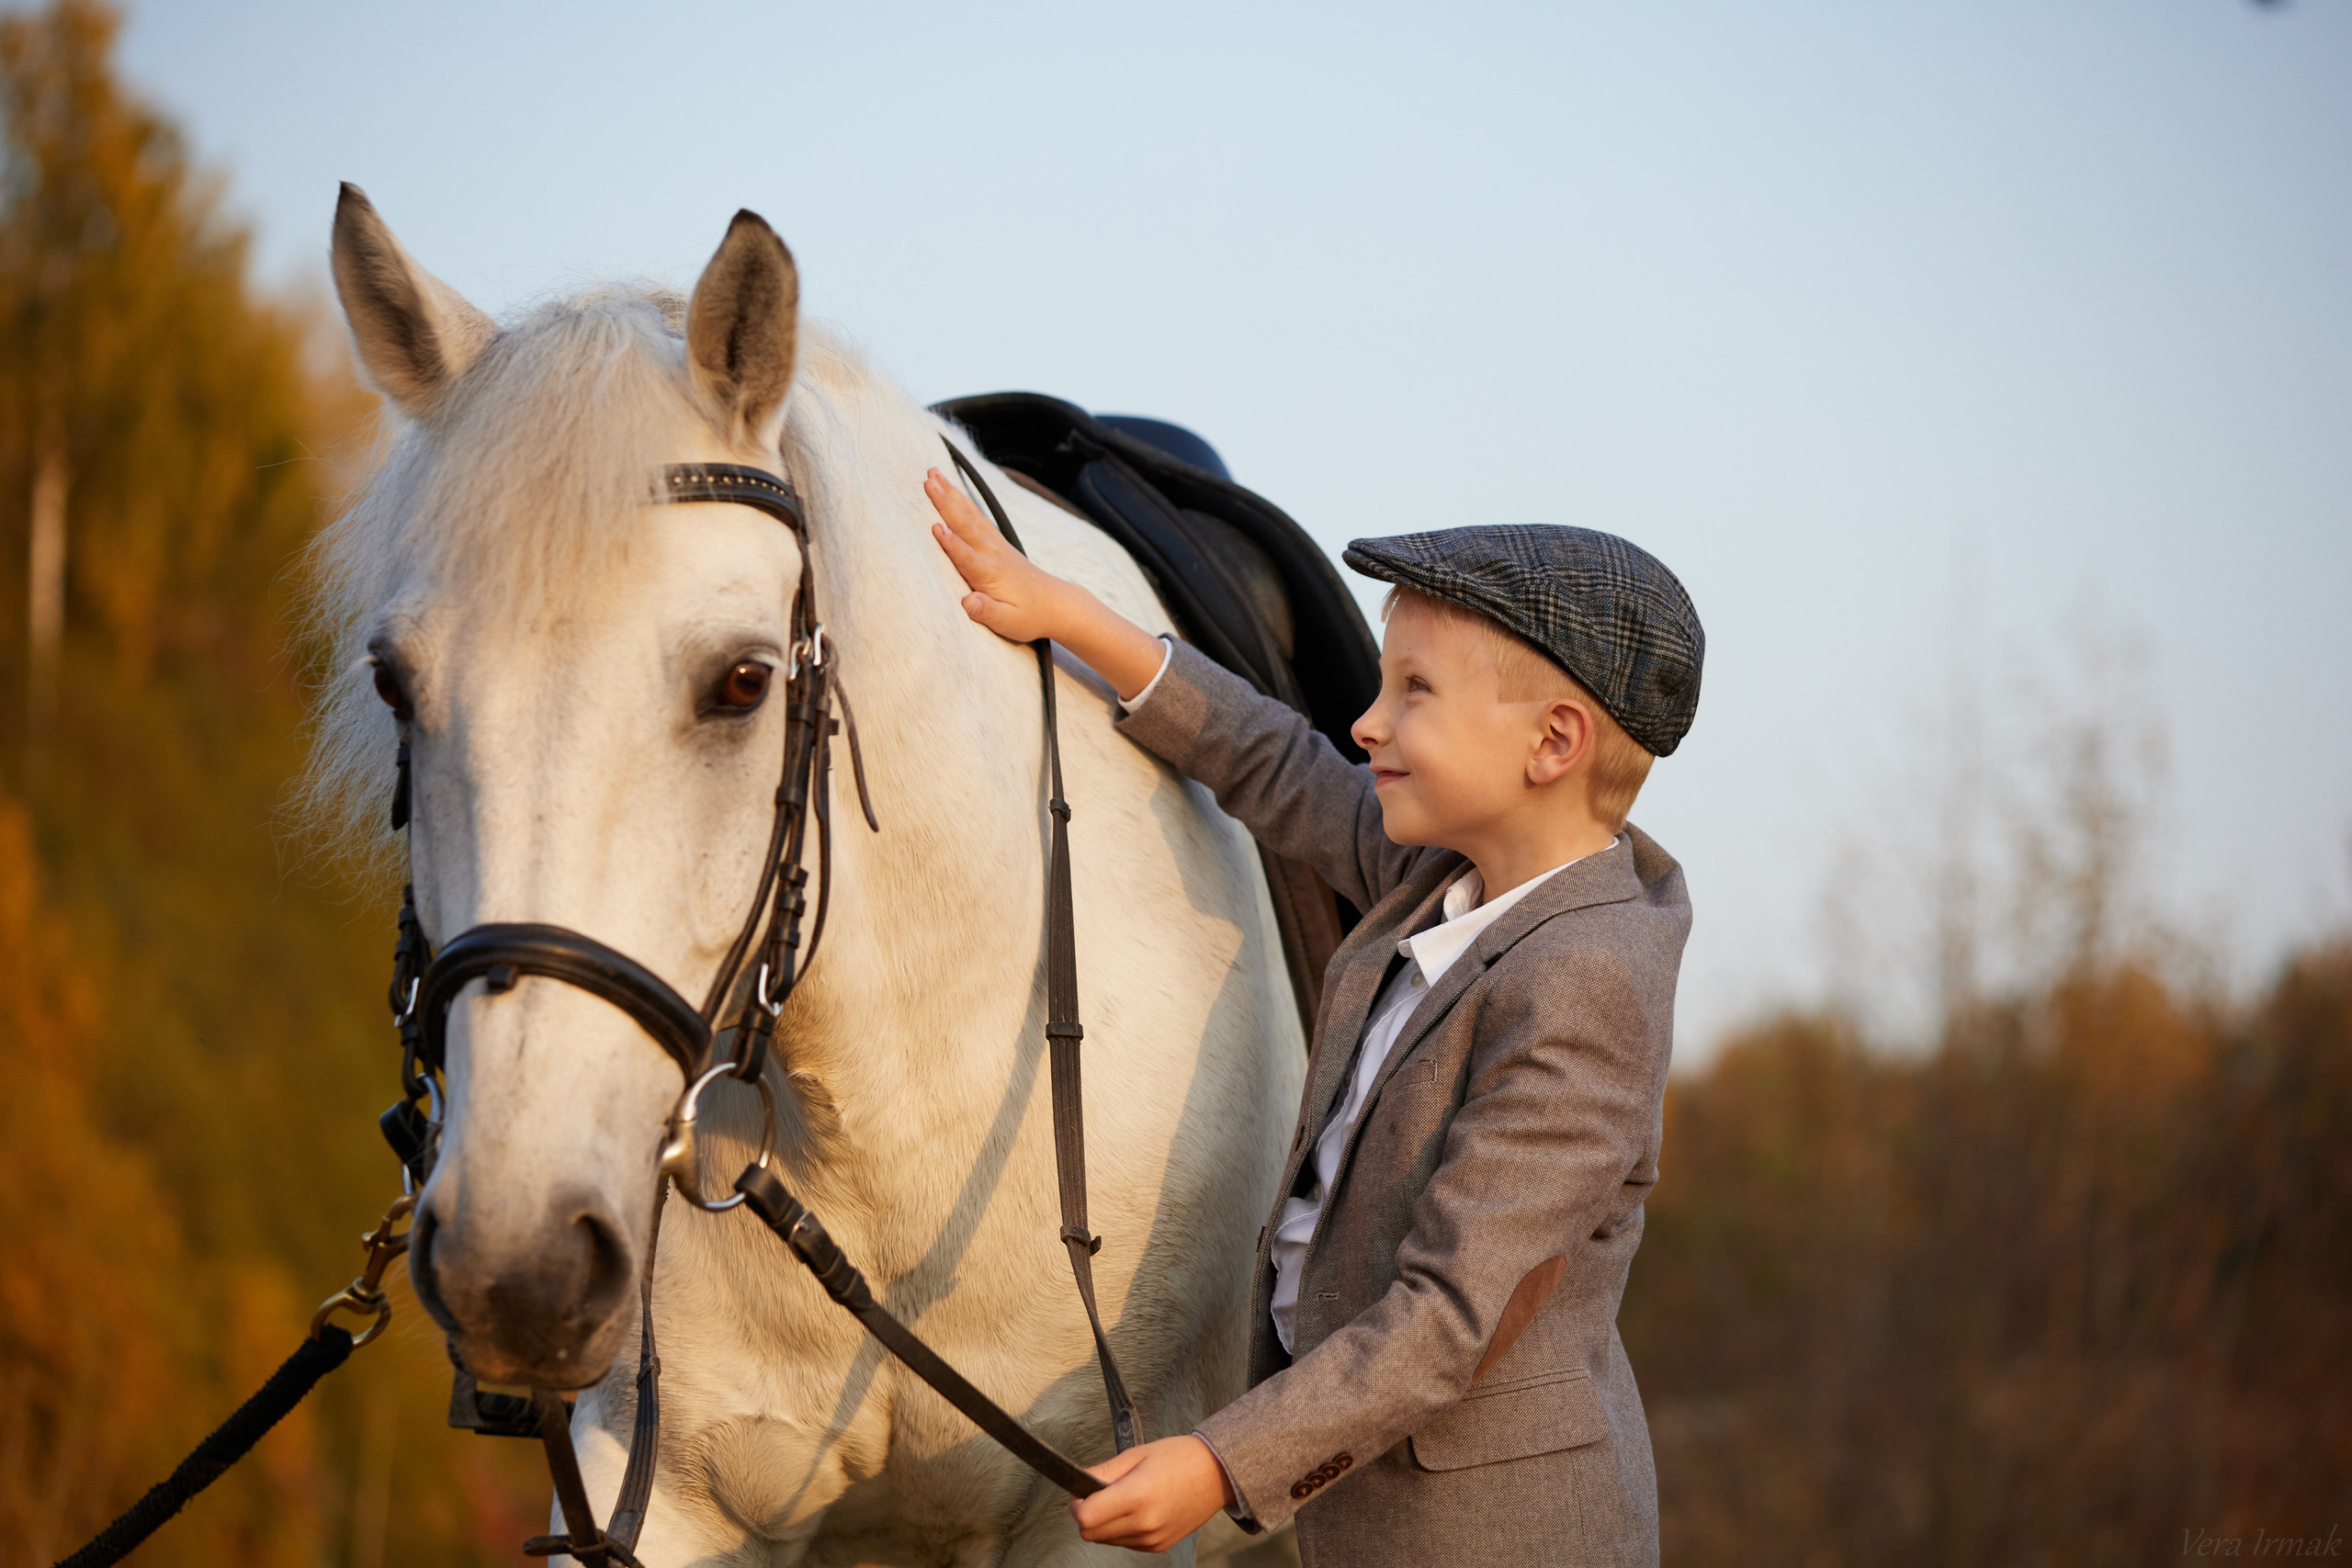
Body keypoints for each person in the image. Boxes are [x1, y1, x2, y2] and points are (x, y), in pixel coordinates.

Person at [924, 467, 1702, 1566]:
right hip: (1368, 1516)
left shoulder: (1585, 980)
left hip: (1492, 1538)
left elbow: (1447, 1317)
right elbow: (1278, 763)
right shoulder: (1442, 878)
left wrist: (1217, 1464)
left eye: (1414, 693)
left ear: (1554, 743)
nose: (1367, 720)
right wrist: (1077, 618)